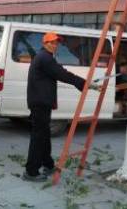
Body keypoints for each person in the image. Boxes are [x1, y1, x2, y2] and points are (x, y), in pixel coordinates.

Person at [23, 32, 99, 182]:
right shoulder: (45, 58)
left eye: (56, 43)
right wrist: (85, 84)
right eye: (51, 42)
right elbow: (63, 74)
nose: (54, 45)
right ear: (44, 44)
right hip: (40, 103)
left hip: (40, 102)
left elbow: (59, 73)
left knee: (44, 136)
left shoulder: (45, 57)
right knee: (39, 137)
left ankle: (48, 164)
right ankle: (31, 172)